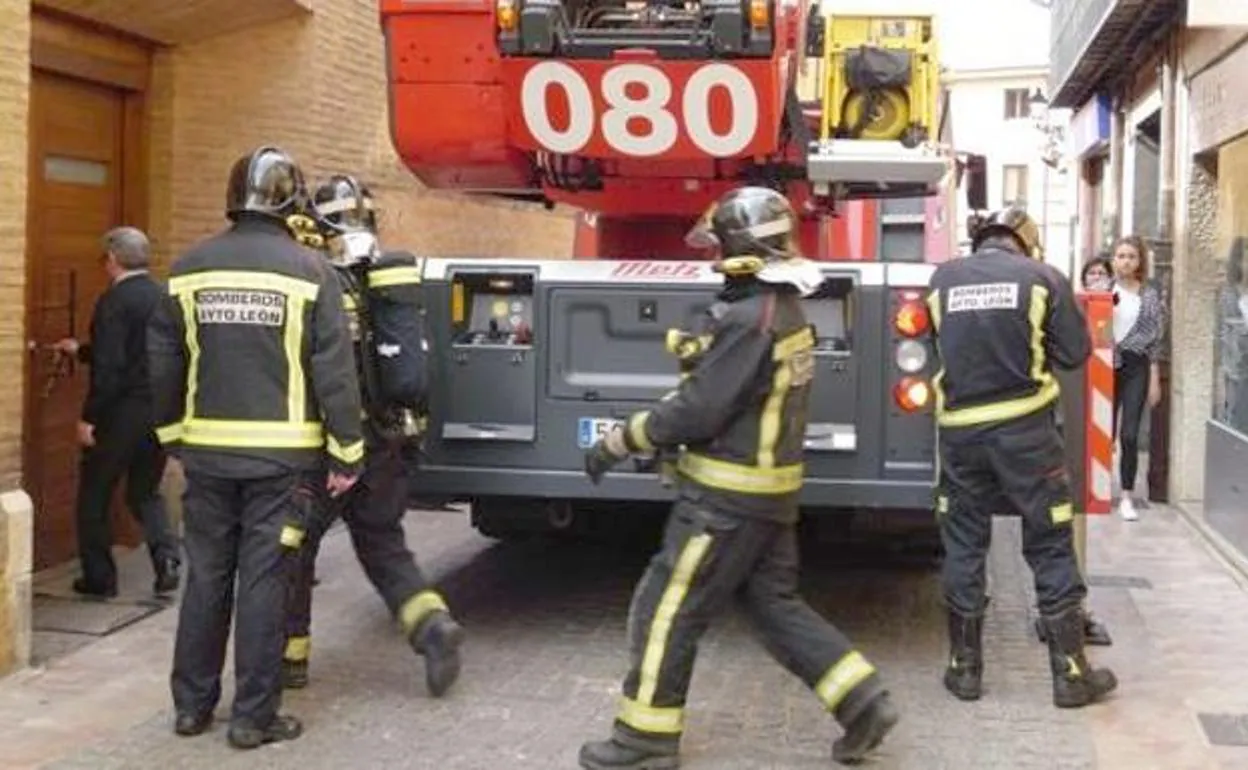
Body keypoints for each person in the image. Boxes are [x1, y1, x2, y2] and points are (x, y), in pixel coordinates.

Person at [578, 186, 898, 770]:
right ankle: (862, 701)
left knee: (666, 609)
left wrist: (620, 440)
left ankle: (643, 740)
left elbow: (700, 410)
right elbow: (740, 389)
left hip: (723, 502)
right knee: (775, 607)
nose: (712, 258)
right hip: (768, 497)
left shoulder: (752, 319)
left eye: (718, 246)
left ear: (740, 248)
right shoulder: (782, 311)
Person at [148, 146, 365, 749]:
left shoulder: (189, 270)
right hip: (284, 462)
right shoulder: (311, 273)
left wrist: (171, 436)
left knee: (206, 577)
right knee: (265, 581)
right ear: (291, 199)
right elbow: (335, 372)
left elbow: (163, 362)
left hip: (207, 457)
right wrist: (348, 449)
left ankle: (191, 708)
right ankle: (252, 718)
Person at [927, 205, 1117, 710]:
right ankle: (1071, 675)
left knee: (965, 544)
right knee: (1050, 543)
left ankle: (963, 670)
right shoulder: (1042, 279)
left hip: (961, 438)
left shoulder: (942, 280)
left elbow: (933, 348)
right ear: (1024, 242)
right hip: (1027, 436)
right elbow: (1076, 354)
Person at [282, 174, 464, 697]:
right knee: (384, 544)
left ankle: (289, 660)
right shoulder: (387, 284)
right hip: (387, 442)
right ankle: (432, 627)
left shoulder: (318, 284)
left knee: (295, 550)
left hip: (331, 449)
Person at [52, 227, 181, 599]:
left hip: (120, 414)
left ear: (111, 259)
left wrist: (89, 417)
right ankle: (167, 557)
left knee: (94, 494)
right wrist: (81, 350)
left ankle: (100, 579)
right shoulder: (162, 296)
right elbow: (144, 354)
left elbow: (112, 368)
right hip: (157, 413)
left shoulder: (114, 301)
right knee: (144, 492)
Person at [1108, 235, 1166, 521]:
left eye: (1132, 256)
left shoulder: (1150, 295)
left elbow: (1156, 339)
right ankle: (1095, 490)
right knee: (1102, 432)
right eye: (1121, 255)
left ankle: (1127, 495)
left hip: (1136, 366)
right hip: (1105, 364)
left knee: (1129, 434)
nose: (1126, 261)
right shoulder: (1102, 290)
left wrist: (1154, 377)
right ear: (1113, 259)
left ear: (1140, 260)